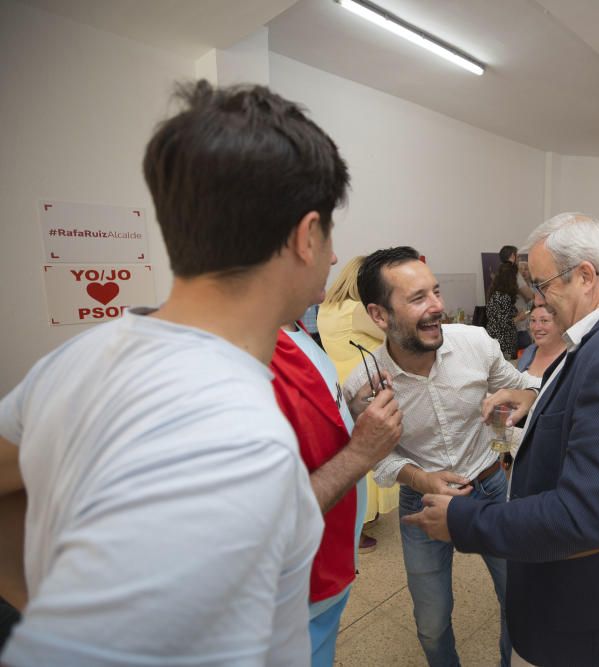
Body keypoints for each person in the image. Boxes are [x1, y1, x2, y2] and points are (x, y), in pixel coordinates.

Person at [0, 80, 368, 664]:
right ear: (306, 236)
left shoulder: (74, 359)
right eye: (328, 236)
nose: (330, 256)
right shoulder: (233, 443)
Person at [403, 213, 599, 666]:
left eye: (542, 284)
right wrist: (535, 402)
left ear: (586, 275)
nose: (537, 300)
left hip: (590, 612)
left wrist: (463, 520)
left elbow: (586, 517)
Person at [343, 246, 540, 667]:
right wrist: (420, 480)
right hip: (422, 503)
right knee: (431, 623)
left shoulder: (475, 344)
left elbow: (527, 388)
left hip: (492, 489)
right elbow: (377, 457)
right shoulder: (364, 384)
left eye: (435, 292)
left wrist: (519, 397)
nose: (438, 308)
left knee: (520, 602)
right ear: (380, 315)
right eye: (418, 299)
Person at [271, 319, 401, 667]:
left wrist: (351, 411)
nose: (331, 259)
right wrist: (361, 453)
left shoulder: (299, 333)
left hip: (330, 570)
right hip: (298, 595)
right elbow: (267, 515)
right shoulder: (256, 350)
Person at [318, 254, 399, 549]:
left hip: (340, 382)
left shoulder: (327, 308)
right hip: (364, 385)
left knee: (349, 447)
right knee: (368, 451)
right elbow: (392, 334)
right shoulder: (355, 310)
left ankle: (359, 517)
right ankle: (360, 521)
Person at [486, 261, 525, 359]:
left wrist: (516, 314)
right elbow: (502, 323)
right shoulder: (503, 296)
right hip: (503, 343)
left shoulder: (496, 293)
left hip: (498, 341)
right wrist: (519, 318)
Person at [517, 303, 566, 377]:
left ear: (560, 323)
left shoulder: (572, 357)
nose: (537, 328)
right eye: (533, 320)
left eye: (544, 320)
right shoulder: (529, 351)